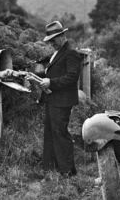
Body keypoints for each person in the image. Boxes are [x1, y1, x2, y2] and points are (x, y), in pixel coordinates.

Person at [25, 21, 81, 178]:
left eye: (53, 40)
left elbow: (72, 77)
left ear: (62, 36)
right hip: (52, 99)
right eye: (49, 41)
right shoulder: (57, 53)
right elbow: (51, 74)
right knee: (51, 133)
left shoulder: (71, 53)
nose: (51, 44)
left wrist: (51, 82)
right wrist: (35, 77)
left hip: (62, 101)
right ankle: (52, 168)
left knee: (60, 132)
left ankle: (68, 171)